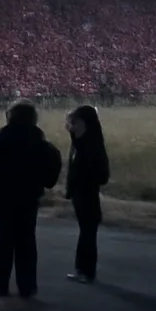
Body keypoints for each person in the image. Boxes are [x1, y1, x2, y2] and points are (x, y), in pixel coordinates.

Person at [0, 99, 62, 299]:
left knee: (3, 242)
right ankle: (27, 287)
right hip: (29, 198)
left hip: (3, 198)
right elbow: (52, 172)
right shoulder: (41, 143)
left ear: (9, 117)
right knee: (27, 242)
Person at [64, 105, 110, 283]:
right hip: (84, 194)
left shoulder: (89, 146)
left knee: (87, 232)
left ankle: (85, 270)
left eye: (75, 122)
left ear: (84, 123)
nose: (72, 126)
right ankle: (84, 269)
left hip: (87, 194)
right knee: (87, 231)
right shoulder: (84, 142)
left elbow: (100, 173)